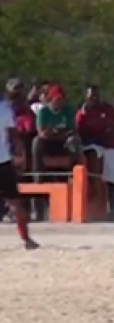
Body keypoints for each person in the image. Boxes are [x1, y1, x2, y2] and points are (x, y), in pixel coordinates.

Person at [76, 85, 114, 214]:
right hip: (91, 144)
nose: (94, 99)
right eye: (91, 96)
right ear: (86, 97)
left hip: (107, 144)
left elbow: (111, 128)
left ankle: (112, 203)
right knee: (93, 154)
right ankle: (95, 194)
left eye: (96, 96)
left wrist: (106, 136)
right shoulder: (82, 113)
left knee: (113, 159)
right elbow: (82, 134)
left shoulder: (107, 109)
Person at [0, 98, 39, 249]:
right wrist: (20, 155)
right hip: (3, 161)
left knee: (16, 203)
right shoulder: (5, 109)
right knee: (15, 202)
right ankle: (26, 238)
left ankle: (26, 237)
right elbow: (13, 136)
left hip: (3, 161)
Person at [32, 85, 82, 180]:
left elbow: (72, 130)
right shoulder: (43, 112)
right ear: (51, 99)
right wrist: (59, 132)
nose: (60, 102)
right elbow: (42, 133)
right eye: (57, 99)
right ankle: (38, 176)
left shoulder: (67, 111)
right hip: (48, 144)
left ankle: (74, 174)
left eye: (61, 99)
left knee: (74, 140)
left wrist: (54, 131)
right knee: (36, 141)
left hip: (64, 143)